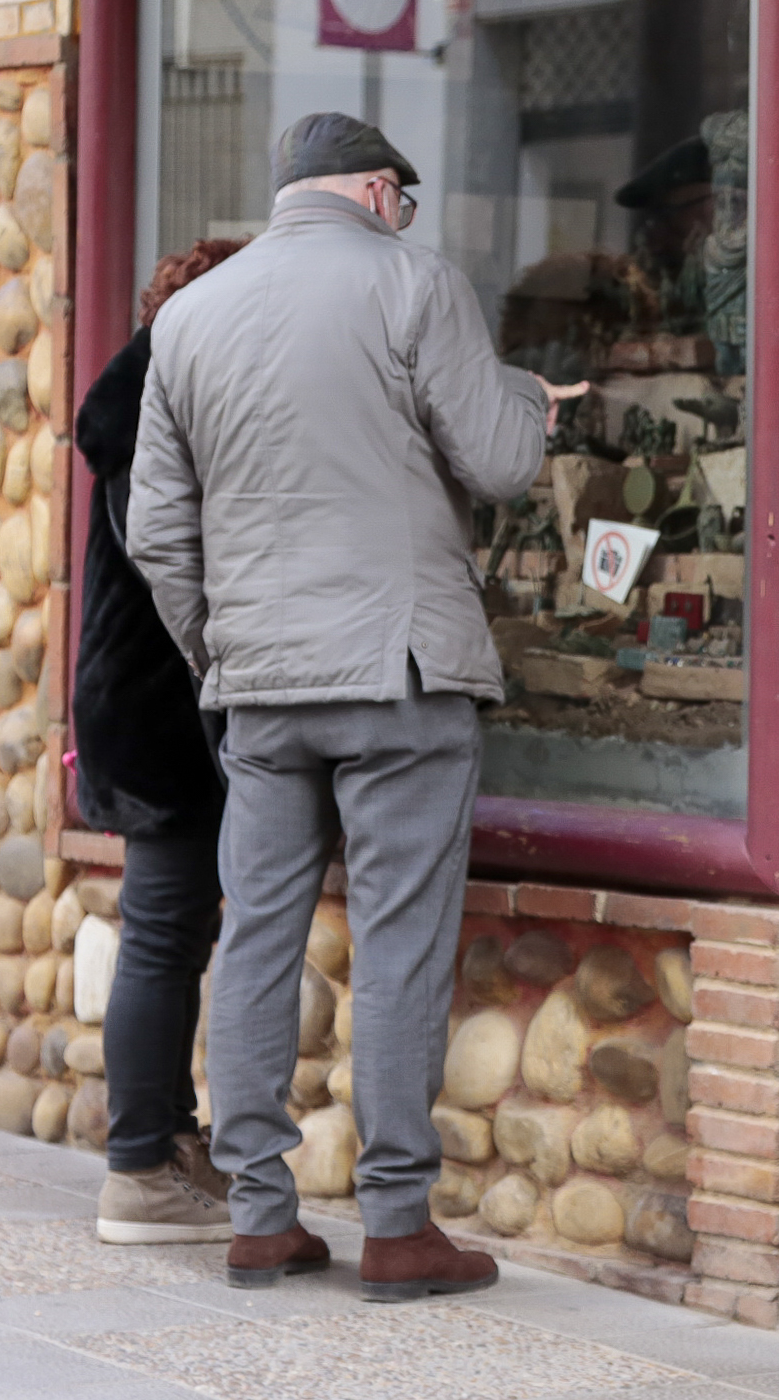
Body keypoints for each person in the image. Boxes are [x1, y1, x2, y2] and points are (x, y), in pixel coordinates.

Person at [129, 112, 580, 1300]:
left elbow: (158, 535)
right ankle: (394, 1224)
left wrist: (219, 655)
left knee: (257, 938)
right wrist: (528, 402)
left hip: (262, 688)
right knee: (398, 944)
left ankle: (261, 1216)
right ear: (379, 191)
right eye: (404, 201)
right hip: (398, 673)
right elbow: (492, 462)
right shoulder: (413, 282)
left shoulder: (187, 318)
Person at [74, 237, 248, 1245]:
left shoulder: (145, 402)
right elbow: (177, 573)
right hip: (164, 713)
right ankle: (139, 1170)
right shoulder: (158, 414)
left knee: (173, 935)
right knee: (165, 934)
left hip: (150, 706)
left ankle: (168, 1144)